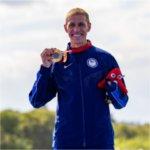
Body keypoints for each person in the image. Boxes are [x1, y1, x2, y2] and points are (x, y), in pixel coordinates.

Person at [29, 8, 128, 149]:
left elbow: (122, 102)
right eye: (72, 25)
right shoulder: (56, 63)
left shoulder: (105, 59)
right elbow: (36, 101)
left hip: (100, 142)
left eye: (81, 24)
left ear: (89, 26)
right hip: (66, 142)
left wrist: (111, 88)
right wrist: (45, 68)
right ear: (65, 28)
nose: (76, 29)